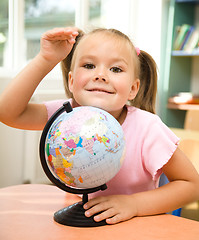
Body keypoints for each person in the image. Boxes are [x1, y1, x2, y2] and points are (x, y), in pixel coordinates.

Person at [0, 27, 199, 225]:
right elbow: (8, 113)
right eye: (88, 65)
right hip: (83, 227)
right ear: (71, 81)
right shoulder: (66, 115)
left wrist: (133, 204)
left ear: (133, 88)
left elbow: (192, 185)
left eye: (116, 69)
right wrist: (46, 59)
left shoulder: (148, 128)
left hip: (135, 229)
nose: (101, 75)